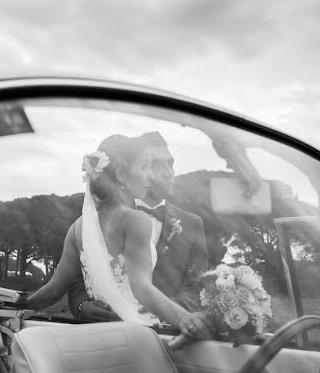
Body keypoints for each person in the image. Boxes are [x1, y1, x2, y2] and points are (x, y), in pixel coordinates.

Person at [23, 133, 213, 340]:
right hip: (139, 336)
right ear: (122, 175)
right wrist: (184, 318)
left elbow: (52, 290)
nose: (150, 176)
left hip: (94, 338)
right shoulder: (136, 220)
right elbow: (140, 288)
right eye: (144, 167)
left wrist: (13, 304)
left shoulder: (78, 227)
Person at [68, 132, 209, 321]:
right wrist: (83, 306)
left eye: (171, 164)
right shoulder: (99, 218)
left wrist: (165, 310)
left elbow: (197, 288)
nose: (169, 172)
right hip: (102, 330)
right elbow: (76, 279)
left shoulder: (192, 224)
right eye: (156, 164)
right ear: (126, 170)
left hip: (165, 338)